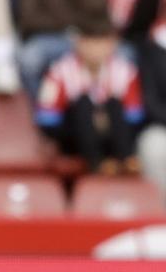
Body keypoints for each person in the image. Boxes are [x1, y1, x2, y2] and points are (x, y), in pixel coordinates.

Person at [37, 17, 142, 173]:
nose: (95, 49)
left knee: (113, 103)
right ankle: (97, 163)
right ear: (78, 43)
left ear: (112, 44)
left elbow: (135, 116)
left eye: (101, 42)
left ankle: (127, 159)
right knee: (83, 103)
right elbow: (46, 119)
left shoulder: (125, 71)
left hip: (113, 134)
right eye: (90, 42)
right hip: (75, 138)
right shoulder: (59, 72)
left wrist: (102, 118)